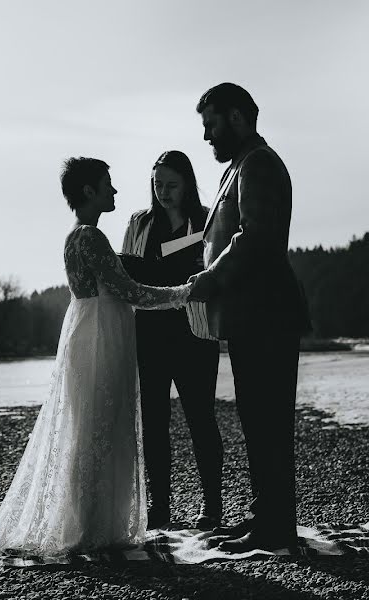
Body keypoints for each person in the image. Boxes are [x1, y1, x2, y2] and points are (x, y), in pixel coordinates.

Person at [0, 157, 191, 561]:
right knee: (98, 424)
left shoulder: (78, 237)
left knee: (94, 426)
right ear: (88, 191)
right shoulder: (89, 237)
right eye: (107, 185)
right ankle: (91, 529)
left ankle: (95, 524)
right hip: (101, 336)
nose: (115, 192)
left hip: (95, 330)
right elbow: (130, 291)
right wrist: (185, 293)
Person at [188, 83, 312, 553]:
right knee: (256, 419)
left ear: (237, 117)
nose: (206, 137)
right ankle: (266, 517)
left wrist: (211, 278)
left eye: (211, 124)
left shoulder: (259, 164)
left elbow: (255, 237)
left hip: (268, 316)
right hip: (251, 317)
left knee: (268, 422)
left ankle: (276, 527)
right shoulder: (241, 167)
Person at [119, 150, 223, 530]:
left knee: (201, 419)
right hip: (149, 334)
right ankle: (160, 507)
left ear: (188, 184)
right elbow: (126, 277)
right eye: (157, 184)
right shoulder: (139, 222)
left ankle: (212, 505)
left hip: (196, 331)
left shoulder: (208, 219)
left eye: (171, 185)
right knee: (155, 422)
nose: (163, 192)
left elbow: (216, 272)